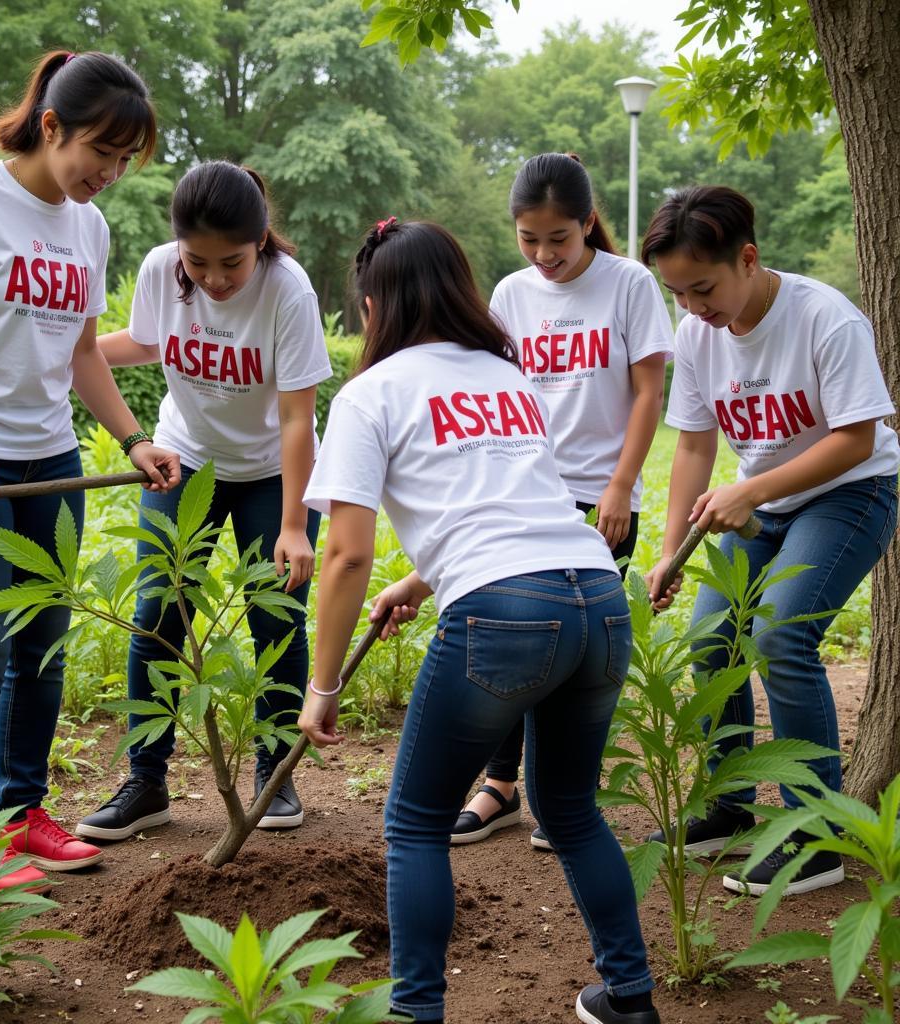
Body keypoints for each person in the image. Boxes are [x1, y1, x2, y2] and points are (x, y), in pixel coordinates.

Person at [299, 219, 660, 1024]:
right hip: (596, 597)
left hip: (501, 614)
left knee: (416, 822)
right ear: (461, 292)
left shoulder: (371, 393)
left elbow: (344, 557)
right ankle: (631, 999)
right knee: (570, 810)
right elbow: (512, 504)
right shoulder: (508, 376)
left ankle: (414, 1013)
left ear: (372, 306)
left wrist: (321, 685)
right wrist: (422, 582)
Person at [0, 50, 180, 895]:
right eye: (103, 150)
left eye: (128, 160)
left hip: (46, 460)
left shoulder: (88, 227)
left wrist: (132, 439)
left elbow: (82, 350)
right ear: (51, 126)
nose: (112, 173)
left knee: (43, 651)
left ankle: (22, 814)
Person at [642, 185, 898, 896]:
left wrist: (752, 489)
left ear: (748, 259)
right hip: (760, 506)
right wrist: (671, 550)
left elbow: (857, 439)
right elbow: (694, 447)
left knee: (782, 635)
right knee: (708, 638)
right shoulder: (697, 334)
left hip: (851, 492)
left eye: (703, 288)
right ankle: (729, 807)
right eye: (678, 293)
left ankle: (814, 836)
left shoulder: (823, 318)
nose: (693, 308)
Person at [76, 160, 332, 842]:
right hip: (184, 459)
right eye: (199, 263)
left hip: (272, 472)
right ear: (178, 247)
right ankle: (146, 781)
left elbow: (297, 419)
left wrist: (294, 526)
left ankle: (275, 773)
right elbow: (146, 341)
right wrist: (65, 352)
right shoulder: (165, 270)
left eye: (232, 263)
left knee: (275, 617)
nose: (214, 279)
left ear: (261, 241)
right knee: (159, 611)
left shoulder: (288, 291)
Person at [453, 153, 672, 850]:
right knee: (516, 639)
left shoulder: (629, 284)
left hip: (600, 495)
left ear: (587, 223)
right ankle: (500, 786)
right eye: (529, 239)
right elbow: (498, 394)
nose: (544, 254)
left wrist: (618, 485)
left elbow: (648, 393)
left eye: (559, 239)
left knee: (571, 651)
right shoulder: (512, 294)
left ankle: (559, 795)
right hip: (524, 491)